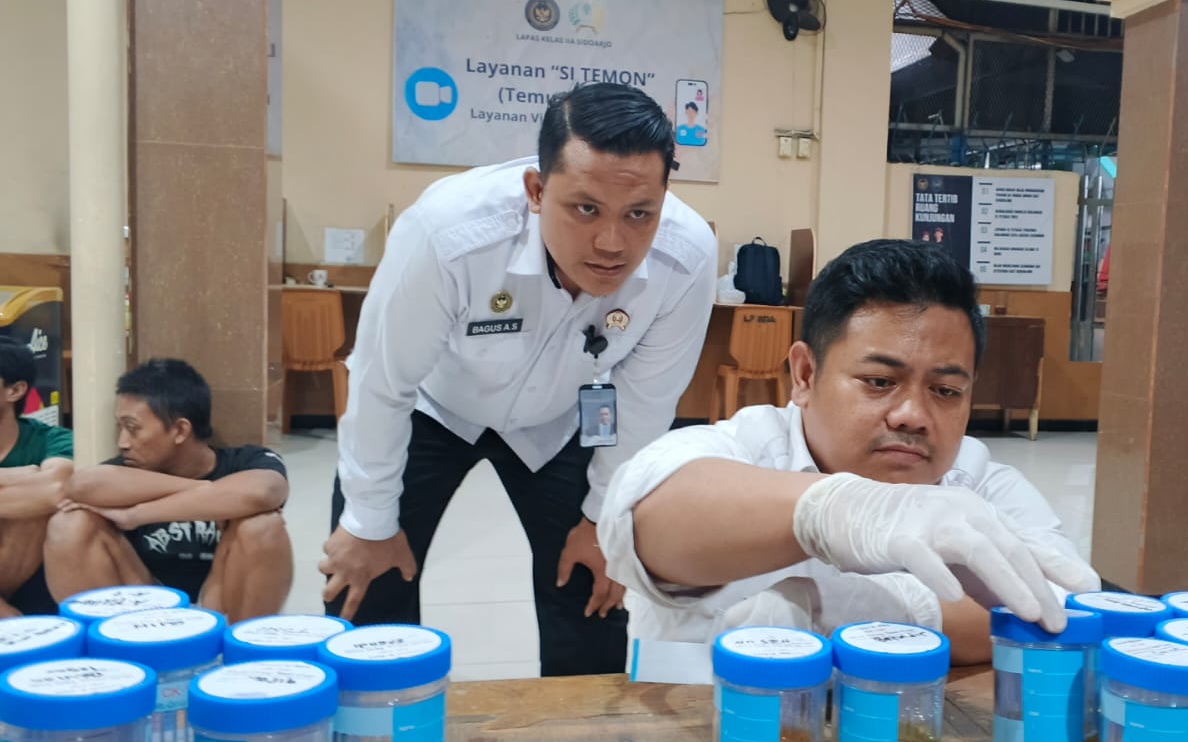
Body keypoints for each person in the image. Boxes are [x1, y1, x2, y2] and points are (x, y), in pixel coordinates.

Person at [323, 82, 715, 676]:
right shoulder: (449, 234)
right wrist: (369, 522)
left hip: (563, 417)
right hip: (433, 406)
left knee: (592, 588)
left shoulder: (685, 258)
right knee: (367, 584)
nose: (612, 243)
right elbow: (383, 382)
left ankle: (582, 734)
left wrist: (600, 521)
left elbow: (644, 401)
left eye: (640, 214)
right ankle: (379, 730)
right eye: (585, 209)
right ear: (536, 190)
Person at [598, 239, 1100, 664]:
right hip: (702, 728)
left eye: (946, 391)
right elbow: (643, 521)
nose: (913, 415)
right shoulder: (745, 449)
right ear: (804, 375)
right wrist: (830, 511)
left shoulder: (978, 483)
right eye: (879, 382)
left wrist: (868, 608)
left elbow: (1062, 605)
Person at [44, 359, 292, 622]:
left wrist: (135, 515)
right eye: (121, 428)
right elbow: (81, 485)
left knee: (263, 525)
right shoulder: (128, 471)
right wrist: (212, 492)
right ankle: (113, 643)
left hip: (221, 602)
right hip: (147, 603)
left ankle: (242, 643)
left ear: (180, 430)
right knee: (68, 524)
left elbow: (264, 491)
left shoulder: (245, 461)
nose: (123, 442)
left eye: (133, 428)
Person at [0, 337, 72, 616]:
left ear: (15, 390)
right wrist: (21, 476)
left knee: (34, 511)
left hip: (31, 579)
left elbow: (56, 489)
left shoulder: (51, 439)